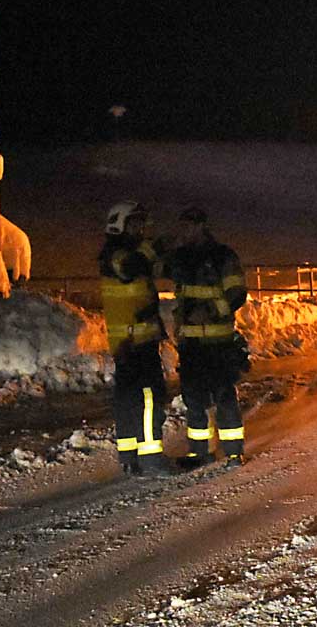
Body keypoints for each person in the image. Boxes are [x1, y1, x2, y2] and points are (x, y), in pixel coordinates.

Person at [167, 206, 251, 469]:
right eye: (182, 226)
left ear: (202, 226)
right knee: (194, 399)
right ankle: (199, 452)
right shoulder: (179, 258)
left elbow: (237, 292)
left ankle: (233, 451)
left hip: (219, 342)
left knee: (224, 396)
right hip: (191, 344)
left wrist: (211, 311)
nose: (184, 232)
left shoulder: (222, 256)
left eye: (189, 226)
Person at [99, 201, 171, 475]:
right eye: (135, 223)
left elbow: (154, 269)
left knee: (128, 400)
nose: (141, 229)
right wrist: (155, 247)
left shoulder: (119, 253)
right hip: (135, 343)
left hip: (131, 342)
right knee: (150, 397)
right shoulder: (116, 255)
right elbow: (132, 267)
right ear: (119, 224)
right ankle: (151, 459)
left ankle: (129, 457)